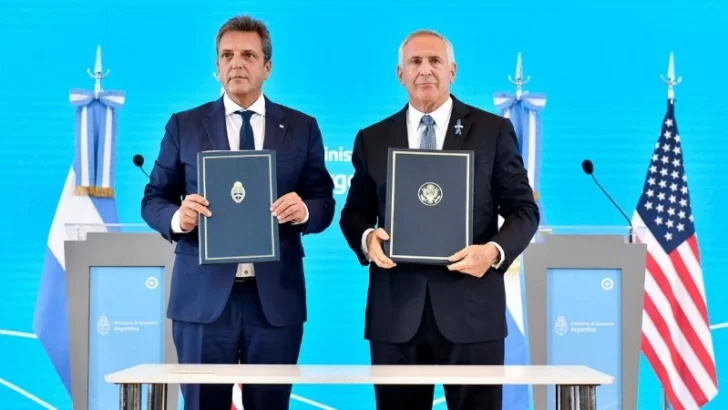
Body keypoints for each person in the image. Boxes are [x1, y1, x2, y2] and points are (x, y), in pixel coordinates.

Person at [141, 15, 335, 410]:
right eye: (227, 55)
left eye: (248, 55)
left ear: (267, 66)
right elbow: (154, 199)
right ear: (216, 66)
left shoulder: (301, 127)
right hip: (202, 300)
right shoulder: (184, 125)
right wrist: (179, 217)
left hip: (274, 300)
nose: (236, 64)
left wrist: (304, 210)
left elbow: (324, 202)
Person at [339, 29, 540, 410]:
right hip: (396, 313)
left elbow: (524, 211)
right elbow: (354, 213)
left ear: (452, 71)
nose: (425, 70)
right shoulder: (372, 138)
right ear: (401, 74)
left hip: (472, 310)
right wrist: (367, 238)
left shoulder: (493, 132)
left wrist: (492, 252)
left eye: (434, 61)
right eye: (415, 62)